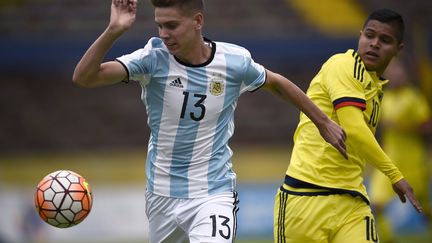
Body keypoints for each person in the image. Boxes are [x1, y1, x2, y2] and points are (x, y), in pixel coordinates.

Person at [72, 0, 347, 242]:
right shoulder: (151, 59)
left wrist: (322, 121)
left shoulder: (234, 61)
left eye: (171, 25)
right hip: (161, 195)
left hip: (213, 193)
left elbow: (276, 82)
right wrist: (114, 30)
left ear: (197, 21)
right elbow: (85, 77)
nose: (164, 34)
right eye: (160, 26)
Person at [274, 8, 423, 243]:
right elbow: (353, 128)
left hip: (352, 201)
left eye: (385, 40)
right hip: (305, 196)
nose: (374, 44)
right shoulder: (343, 65)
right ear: (360, 35)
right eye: (370, 36)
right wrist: (394, 175)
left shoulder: (377, 88)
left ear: (398, 49)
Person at [368, 59, 432, 242]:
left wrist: (401, 127)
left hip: (413, 162)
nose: (396, 76)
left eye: (399, 72)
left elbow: (427, 126)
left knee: (424, 208)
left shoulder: (414, 98)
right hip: (390, 161)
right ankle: (388, 239)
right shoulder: (384, 98)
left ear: (406, 75)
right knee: (376, 204)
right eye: (393, 73)